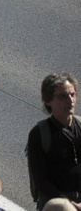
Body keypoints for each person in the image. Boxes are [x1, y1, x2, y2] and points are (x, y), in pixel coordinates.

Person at [27, 73, 81, 210]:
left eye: (72, 95)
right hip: (55, 204)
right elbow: (41, 181)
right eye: (63, 96)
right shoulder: (39, 134)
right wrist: (68, 205)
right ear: (47, 100)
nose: (70, 100)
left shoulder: (80, 125)